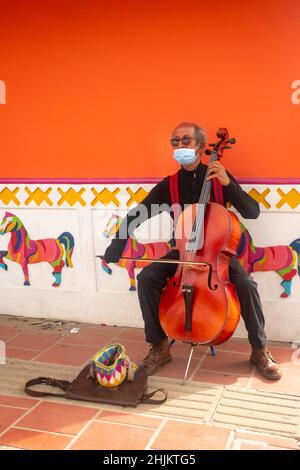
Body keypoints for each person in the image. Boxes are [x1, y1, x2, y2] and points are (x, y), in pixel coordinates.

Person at [103, 122, 281, 380]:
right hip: (182, 252)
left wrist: (228, 183)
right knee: (146, 278)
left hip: (216, 255)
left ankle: (259, 349)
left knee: (246, 284)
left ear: (199, 146)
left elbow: (252, 211)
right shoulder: (170, 185)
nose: (178, 146)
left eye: (185, 140)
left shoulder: (219, 176)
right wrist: (117, 243)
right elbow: (138, 213)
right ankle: (159, 346)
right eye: (174, 142)